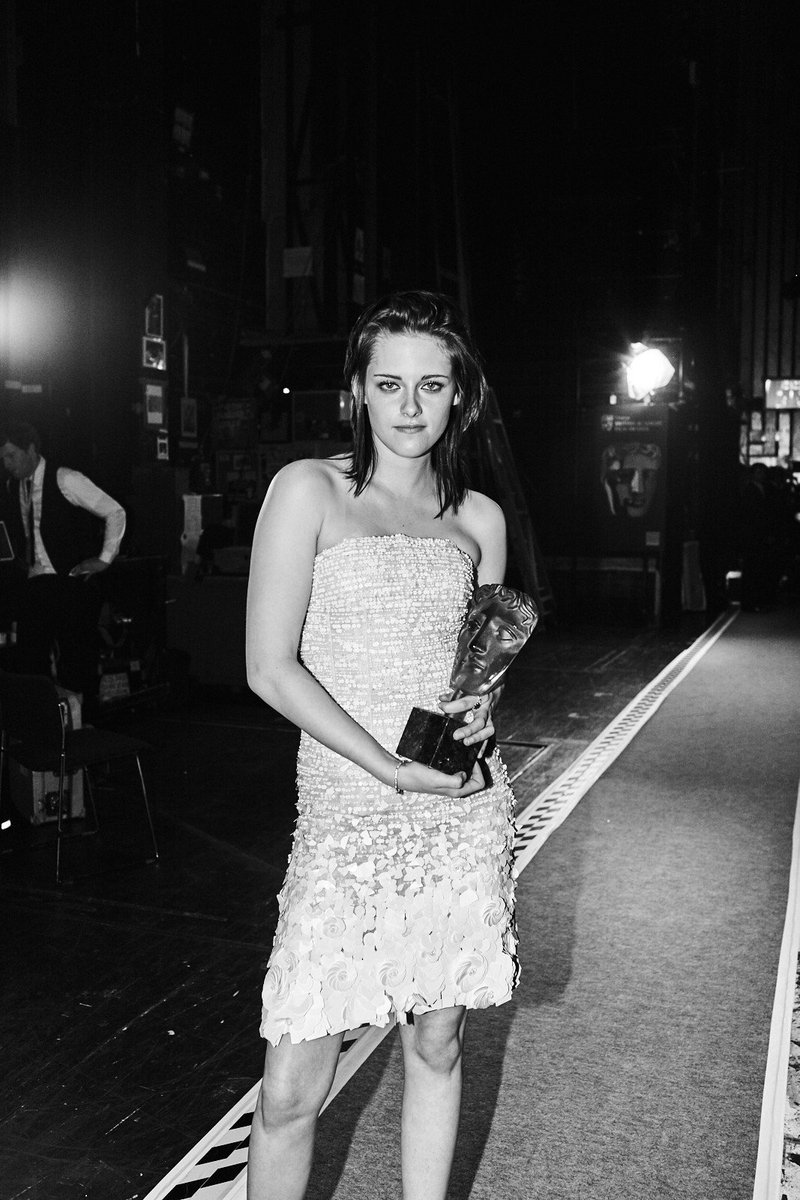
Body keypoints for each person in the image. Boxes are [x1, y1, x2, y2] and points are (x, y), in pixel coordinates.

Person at [245, 291, 519, 1200]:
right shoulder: (308, 490)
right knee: (292, 1087)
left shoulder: (481, 520)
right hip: (348, 815)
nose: (410, 405)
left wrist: (479, 715)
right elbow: (269, 668)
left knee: (437, 1043)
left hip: (454, 815)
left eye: (431, 385)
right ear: (358, 389)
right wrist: (387, 770)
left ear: (459, 396)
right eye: (390, 383)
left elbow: (475, 670)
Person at [0, 420, 126, 699]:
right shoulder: (13, 486)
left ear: (30, 449)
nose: (7, 464)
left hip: (70, 581)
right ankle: (45, 717)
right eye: (3, 458)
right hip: (36, 581)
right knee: (30, 661)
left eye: (11, 455)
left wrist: (104, 559)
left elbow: (115, 512)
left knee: (76, 663)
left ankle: (83, 720)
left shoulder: (65, 478)